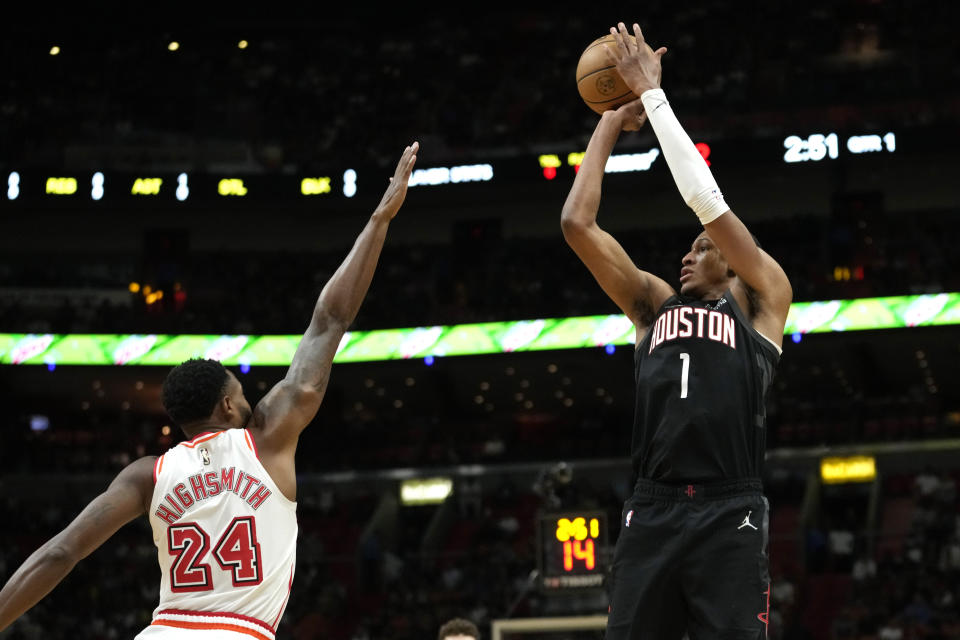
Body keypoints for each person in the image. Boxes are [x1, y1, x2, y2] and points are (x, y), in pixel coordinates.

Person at [0, 142, 420, 638]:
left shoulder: (147, 475)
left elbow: (61, 551)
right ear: (226, 404)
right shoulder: (266, 439)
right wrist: (378, 222)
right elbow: (329, 320)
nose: (250, 400)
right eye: (242, 393)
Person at [560, 22, 792, 639]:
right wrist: (612, 122)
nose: (687, 257)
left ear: (729, 256)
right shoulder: (652, 305)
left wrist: (656, 97)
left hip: (730, 508)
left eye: (700, 249)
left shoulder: (763, 301)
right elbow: (577, 224)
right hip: (653, 506)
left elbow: (706, 203)